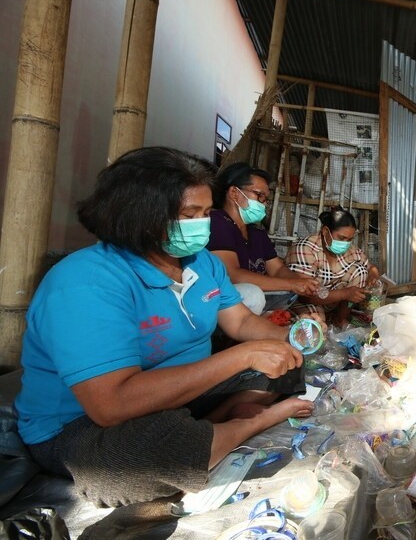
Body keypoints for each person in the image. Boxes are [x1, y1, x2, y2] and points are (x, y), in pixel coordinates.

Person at [14, 147, 314, 508]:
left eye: (206, 213)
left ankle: (211, 429)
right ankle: (243, 426)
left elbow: (242, 322)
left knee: (286, 366)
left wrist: (295, 337)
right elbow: (110, 405)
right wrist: (243, 355)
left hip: (180, 392)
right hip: (80, 425)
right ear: (142, 216)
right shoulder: (86, 282)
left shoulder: (201, 263)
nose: (203, 225)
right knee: (164, 450)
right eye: (191, 214)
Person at [208, 162, 318, 315]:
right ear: (234, 193)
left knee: (286, 296)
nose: (264, 203)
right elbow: (232, 274)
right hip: (218, 299)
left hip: (248, 303)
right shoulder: (218, 222)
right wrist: (291, 284)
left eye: (266, 198)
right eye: (259, 195)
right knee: (253, 295)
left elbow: (277, 269)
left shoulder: (257, 232)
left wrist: (303, 282)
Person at [285, 206, 380, 326]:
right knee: (316, 324)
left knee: (360, 271)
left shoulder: (349, 250)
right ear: (325, 231)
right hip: (303, 301)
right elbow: (305, 296)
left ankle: (340, 320)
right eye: (341, 238)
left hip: (331, 301)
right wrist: (346, 293)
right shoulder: (305, 248)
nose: (345, 243)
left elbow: (371, 268)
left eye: (350, 239)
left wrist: (372, 276)